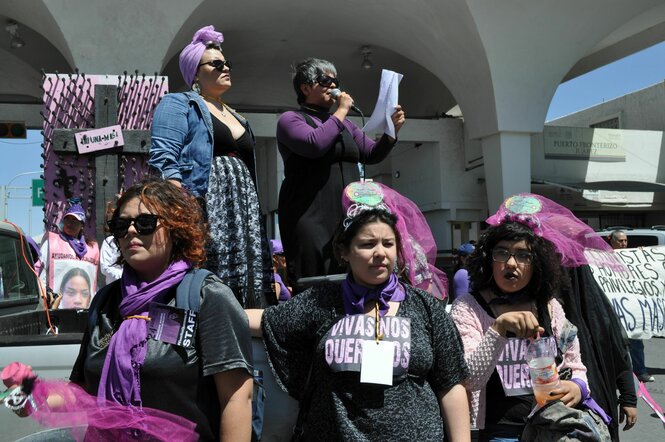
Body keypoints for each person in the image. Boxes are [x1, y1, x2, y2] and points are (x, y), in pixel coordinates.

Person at [247, 181, 469, 441]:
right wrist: (208, 310)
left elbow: (451, 385)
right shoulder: (321, 301)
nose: (380, 253)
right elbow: (265, 321)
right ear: (344, 251)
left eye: (388, 243)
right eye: (367, 244)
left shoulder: (426, 307)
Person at [69, 179, 254, 441]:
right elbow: (81, 390)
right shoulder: (105, 301)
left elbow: (237, 397)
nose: (131, 231)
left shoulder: (207, 296)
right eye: (121, 225)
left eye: (145, 222)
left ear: (176, 227)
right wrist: (32, 389)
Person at [451, 193, 614, 441]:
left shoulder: (550, 307)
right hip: (496, 433)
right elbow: (470, 379)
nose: (511, 263)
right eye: (502, 253)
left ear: (537, 264)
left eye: (523, 256)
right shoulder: (468, 307)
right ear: (488, 258)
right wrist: (498, 329)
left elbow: (576, 365)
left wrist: (578, 387)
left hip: (549, 428)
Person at [149, 24, 273, 309]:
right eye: (216, 64)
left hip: (242, 209)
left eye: (227, 63)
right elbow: (164, 157)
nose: (225, 68)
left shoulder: (238, 116)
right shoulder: (179, 103)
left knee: (246, 271)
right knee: (210, 267)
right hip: (205, 202)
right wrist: (184, 211)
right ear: (195, 70)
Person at [277, 57, 406, 288]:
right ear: (305, 88)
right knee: (315, 279)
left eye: (336, 81)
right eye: (326, 81)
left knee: (346, 276)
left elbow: (371, 154)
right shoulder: (291, 119)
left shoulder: (345, 125)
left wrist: (391, 133)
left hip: (346, 214)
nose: (334, 86)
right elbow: (314, 144)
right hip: (309, 215)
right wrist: (342, 110)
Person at [561, 265, 638, 440]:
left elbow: (620, 355)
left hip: (597, 403)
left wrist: (628, 399)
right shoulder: (546, 310)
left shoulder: (598, 313)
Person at [608, 230, 654, 384]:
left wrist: (641, 256)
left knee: (636, 341)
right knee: (615, 342)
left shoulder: (632, 256)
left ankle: (640, 371)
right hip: (615, 308)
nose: (624, 244)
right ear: (612, 241)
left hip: (632, 308)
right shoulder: (604, 257)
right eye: (620, 241)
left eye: (625, 241)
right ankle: (618, 374)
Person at [39, 198, 99, 298]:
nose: (70, 223)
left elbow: (94, 281)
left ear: (82, 225)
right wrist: (44, 297)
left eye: (74, 221)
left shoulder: (92, 247)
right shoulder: (52, 241)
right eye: (67, 219)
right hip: (57, 308)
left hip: (85, 308)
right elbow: (40, 271)